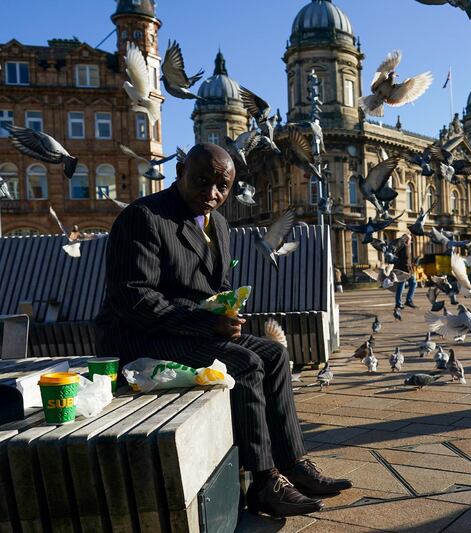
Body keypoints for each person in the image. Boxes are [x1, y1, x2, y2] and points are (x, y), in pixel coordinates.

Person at [95, 144, 351, 518]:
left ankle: (294, 463)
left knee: (275, 353)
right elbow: (132, 298)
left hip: (186, 329)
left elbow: (214, 289)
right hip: (137, 336)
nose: (211, 194)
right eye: (201, 181)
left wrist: (226, 311)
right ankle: (264, 483)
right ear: (180, 170)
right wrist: (206, 322)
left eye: (222, 187)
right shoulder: (144, 217)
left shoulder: (221, 224)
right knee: (245, 363)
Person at [394, 234, 417, 308]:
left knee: (401, 286)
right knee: (413, 283)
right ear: (407, 240)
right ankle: (408, 300)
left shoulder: (399, 246)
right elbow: (406, 260)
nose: (411, 241)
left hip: (400, 269)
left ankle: (398, 303)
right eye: (410, 240)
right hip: (405, 270)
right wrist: (410, 272)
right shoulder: (405, 247)